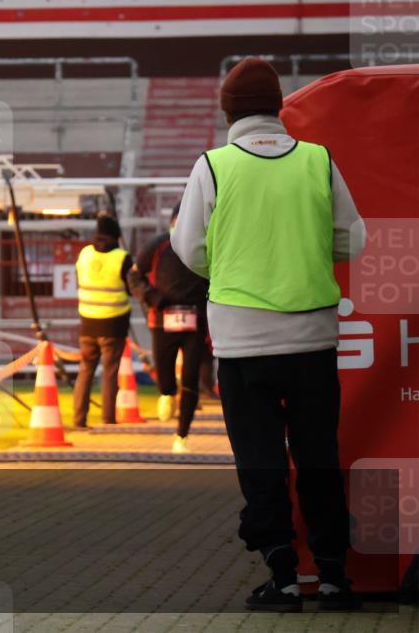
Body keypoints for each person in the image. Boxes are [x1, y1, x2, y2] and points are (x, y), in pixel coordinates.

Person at [171, 57, 365, 612]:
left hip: (241, 340)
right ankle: (333, 576)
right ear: (278, 106)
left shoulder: (212, 166)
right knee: (318, 455)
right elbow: (354, 240)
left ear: (229, 112)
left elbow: (189, 249)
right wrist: (303, 254)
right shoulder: (318, 161)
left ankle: (282, 575)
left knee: (260, 461)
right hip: (312, 337)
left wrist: (231, 268)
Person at [128, 201, 209, 453]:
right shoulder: (158, 245)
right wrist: (151, 296)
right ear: (174, 220)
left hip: (195, 319)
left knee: (190, 379)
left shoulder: (207, 244)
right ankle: (166, 392)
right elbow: (133, 276)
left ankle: (182, 435)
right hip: (163, 318)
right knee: (165, 374)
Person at [72, 213, 132, 427]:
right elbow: (131, 288)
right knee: (110, 371)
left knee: (85, 370)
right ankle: (108, 419)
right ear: (116, 236)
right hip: (113, 325)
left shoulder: (85, 254)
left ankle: (79, 419)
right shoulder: (122, 257)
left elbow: (79, 279)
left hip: (87, 322)